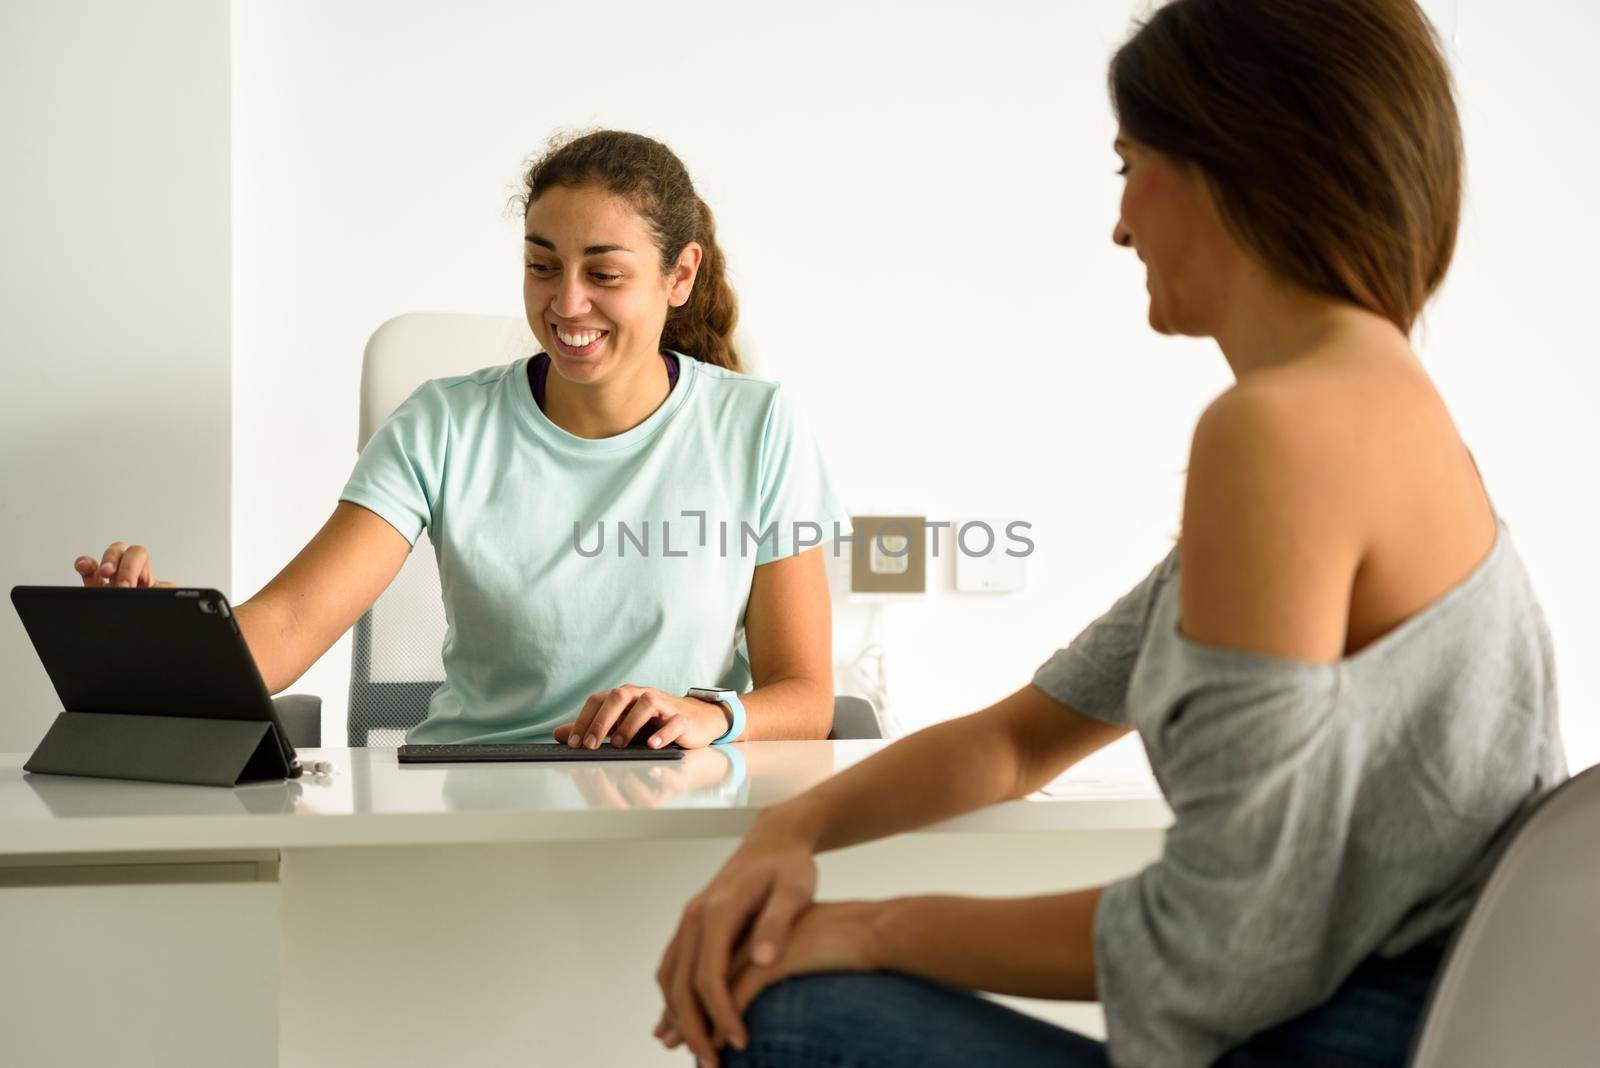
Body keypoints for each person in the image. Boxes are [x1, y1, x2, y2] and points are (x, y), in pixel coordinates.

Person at [652, 1, 1567, 1065]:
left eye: (1130, 165)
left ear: (1234, 156)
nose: (1121, 223)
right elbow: (1019, 740)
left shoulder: (1282, 431)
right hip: (1380, 1023)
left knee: (795, 1016)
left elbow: (1221, 941)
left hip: (1356, 1040)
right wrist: (789, 831)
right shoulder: (1369, 403)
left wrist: (863, 929)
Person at [71, 129, 846, 751]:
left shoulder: (759, 428)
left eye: (603, 273)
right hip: (475, 791)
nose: (566, 301)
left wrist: (712, 716)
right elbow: (285, 630)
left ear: (679, 277)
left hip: (672, 797)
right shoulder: (443, 425)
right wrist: (168, 640)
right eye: (542, 265)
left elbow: (803, 696)